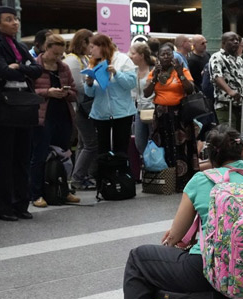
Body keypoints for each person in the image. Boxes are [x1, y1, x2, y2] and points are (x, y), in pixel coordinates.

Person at [91, 125, 243, 299]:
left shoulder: (201, 180)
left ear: (211, 156)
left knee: (139, 258)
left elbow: (176, 236)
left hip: (209, 271)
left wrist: (173, 246)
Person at [0, 6, 43, 222]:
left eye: (15, 19)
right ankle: (4, 207)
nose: (14, 23)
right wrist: (20, 68)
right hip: (3, 104)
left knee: (22, 156)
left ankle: (21, 204)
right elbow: (2, 70)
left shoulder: (21, 46)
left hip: (23, 103)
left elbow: (37, 70)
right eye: (8, 19)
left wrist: (20, 67)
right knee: (5, 157)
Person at [30, 34, 79, 208]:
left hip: (62, 115)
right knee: (40, 154)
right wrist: (47, 92)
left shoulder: (64, 68)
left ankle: (63, 190)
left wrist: (67, 93)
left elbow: (75, 92)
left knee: (64, 154)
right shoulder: (34, 66)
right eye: (55, 53)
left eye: (60, 54)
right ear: (46, 48)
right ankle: (36, 193)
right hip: (43, 116)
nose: (57, 58)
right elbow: (29, 93)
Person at [143, 43, 197, 192]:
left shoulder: (182, 70)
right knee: (164, 146)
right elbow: (146, 93)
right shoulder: (155, 72)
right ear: (158, 57)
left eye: (169, 54)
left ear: (173, 56)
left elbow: (190, 89)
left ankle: (183, 182)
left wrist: (180, 73)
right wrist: (154, 78)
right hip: (162, 115)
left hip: (180, 114)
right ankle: (166, 181)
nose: (166, 57)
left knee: (181, 147)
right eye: (163, 54)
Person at [83, 34, 137, 157]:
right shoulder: (92, 64)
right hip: (100, 114)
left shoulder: (123, 60)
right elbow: (90, 94)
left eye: (92, 47)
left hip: (122, 112)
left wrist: (116, 73)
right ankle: (105, 175)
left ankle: (121, 174)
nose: (90, 51)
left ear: (102, 46)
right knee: (102, 150)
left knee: (121, 149)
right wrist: (89, 83)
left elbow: (131, 84)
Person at [64, 29, 97, 191]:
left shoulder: (83, 59)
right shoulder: (73, 60)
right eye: (91, 44)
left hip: (85, 107)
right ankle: (78, 177)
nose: (92, 48)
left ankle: (80, 176)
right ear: (83, 42)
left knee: (84, 144)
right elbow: (77, 86)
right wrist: (93, 86)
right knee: (91, 144)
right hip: (81, 108)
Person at [209, 32, 243, 128]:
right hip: (225, 105)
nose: (236, 42)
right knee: (228, 136)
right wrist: (230, 91)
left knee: (240, 136)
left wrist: (242, 85)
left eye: (237, 40)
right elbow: (217, 76)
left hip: (241, 104)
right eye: (231, 40)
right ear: (223, 43)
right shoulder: (217, 57)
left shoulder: (239, 59)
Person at [129, 42, 155, 154]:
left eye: (133, 53)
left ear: (142, 55)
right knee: (139, 143)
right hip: (138, 111)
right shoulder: (133, 71)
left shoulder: (153, 70)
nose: (130, 56)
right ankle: (145, 164)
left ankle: (155, 165)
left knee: (154, 141)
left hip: (152, 110)